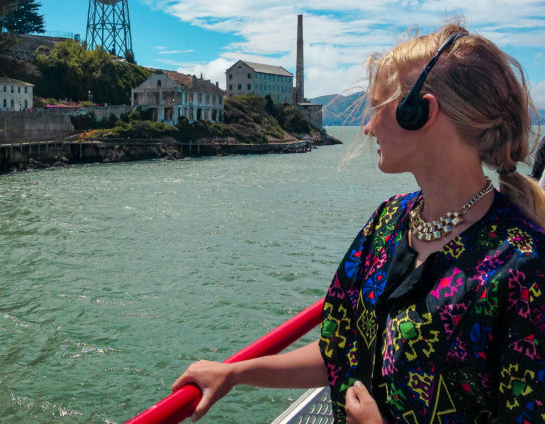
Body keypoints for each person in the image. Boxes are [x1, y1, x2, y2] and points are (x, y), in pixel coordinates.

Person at [172, 24, 545, 423]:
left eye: (376, 107)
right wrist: (236, 373)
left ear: (421, 112)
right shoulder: (387, 223)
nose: (367, 128)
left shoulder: (523, 267)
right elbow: (341, 347)